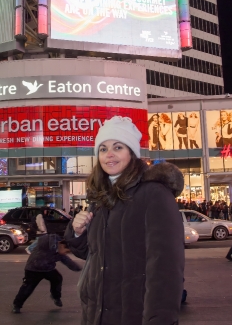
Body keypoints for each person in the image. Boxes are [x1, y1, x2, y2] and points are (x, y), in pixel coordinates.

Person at [65, 116, 185, 325]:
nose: (109, 154)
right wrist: (77, 232)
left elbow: (165, 268)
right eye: (102, 149)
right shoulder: (102, 197)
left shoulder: (153, 194)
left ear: (132, 153)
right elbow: (95, 255)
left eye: (118, 147)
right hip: (97, 314)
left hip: (134, 315)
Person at [12, 234, 82, 313]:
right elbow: (44, 238)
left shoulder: (60, 254)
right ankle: (17, 305)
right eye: (67, 251)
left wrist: (79, 269)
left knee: (57, 278)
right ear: (62, 245)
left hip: (48, 269)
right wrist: (54, 241)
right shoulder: (47, 243)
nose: (66, 253)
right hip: (33, 269)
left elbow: (68, 261)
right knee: (28, 288)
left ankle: (56, 297)